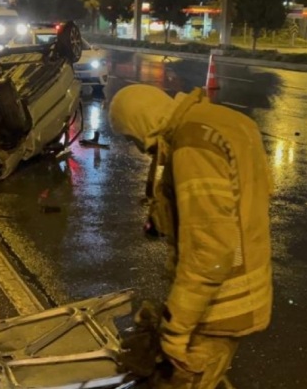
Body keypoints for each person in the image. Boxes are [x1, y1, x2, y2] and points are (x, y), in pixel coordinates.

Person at [109, 85, 273, 389]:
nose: (137, 147)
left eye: (132, 138)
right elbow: (247, 196)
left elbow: (209, 251)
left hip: (218, 305)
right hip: (244, 282)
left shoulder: (191, 144)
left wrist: (176, 329)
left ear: (141, 121)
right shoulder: (224, 120)